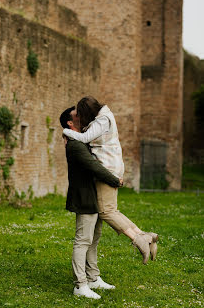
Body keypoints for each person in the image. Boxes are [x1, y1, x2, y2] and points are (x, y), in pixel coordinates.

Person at [63, 96, 158, 264]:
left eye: (80, 113)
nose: (79, 117)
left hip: (107, 168)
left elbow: (85, 140)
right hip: (112, 166)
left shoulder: (101, 121)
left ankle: (138, 239)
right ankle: (144, 236)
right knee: (112, 210)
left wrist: (65, 131)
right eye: (76, 114)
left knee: (107, 212)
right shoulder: (103, 117)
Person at [60, 106, 122, 299]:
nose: (80, 116)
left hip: (93, 195)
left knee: (93, 239)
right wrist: (114, 180)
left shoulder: (82, 139)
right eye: (76, 115)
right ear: (70, 123)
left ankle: (93, 278)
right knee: (83, 241)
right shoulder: (75, 144)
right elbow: (93, 166)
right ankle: (80, 285)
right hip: (84, 197)